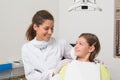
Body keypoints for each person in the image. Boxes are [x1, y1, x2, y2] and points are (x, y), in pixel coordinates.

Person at [21, 10, 74, 80]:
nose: (50, 32)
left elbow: (79, 56)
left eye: (52, 28)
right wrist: (53, 73)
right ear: (35, 27)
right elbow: (31, 75)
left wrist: (66, 62)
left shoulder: (61, 43)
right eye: (46, 28)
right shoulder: (27, 48)